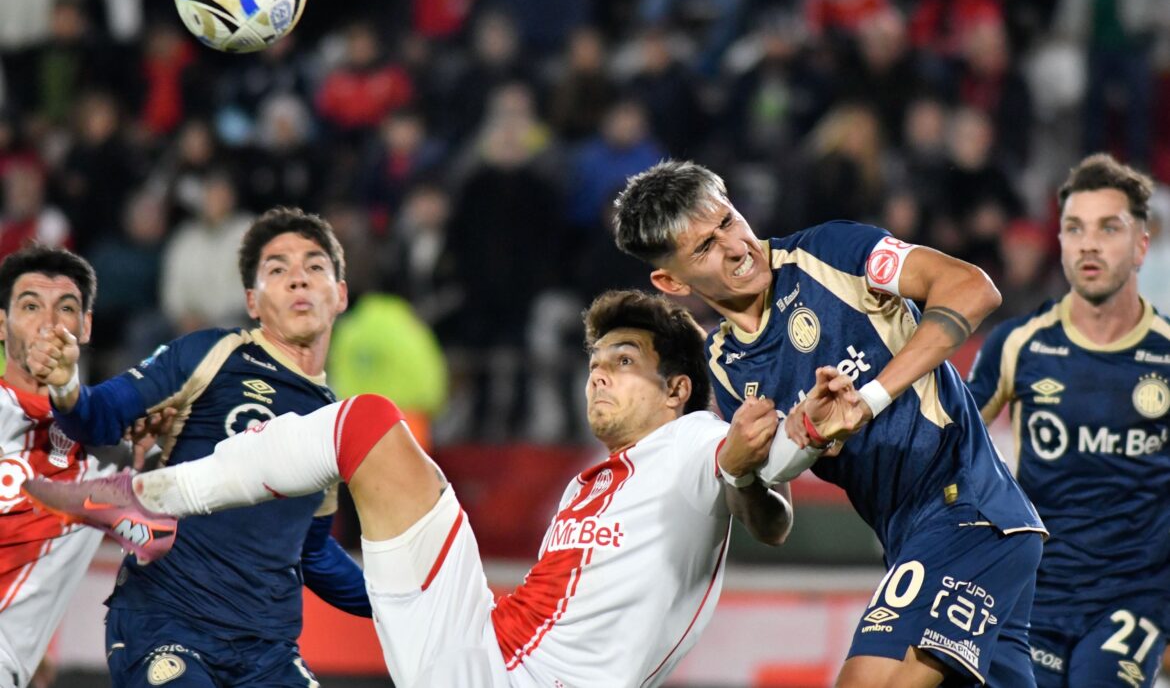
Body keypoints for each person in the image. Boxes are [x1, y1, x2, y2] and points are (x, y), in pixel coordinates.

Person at [25, 289, 858, 687]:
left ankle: (154, 496)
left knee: (366, 424)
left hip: (511, 673)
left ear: (677, 391)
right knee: (359, 428)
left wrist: (793, 441)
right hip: (482, 648)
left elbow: (763, 498)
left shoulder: (695, 442)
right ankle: (150, 497)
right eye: (596, 361)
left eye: (625, 362)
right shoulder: (592, 483)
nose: (599, 376)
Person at [612, 160, 1047, 687]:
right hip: (913, 539)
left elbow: (973, 288)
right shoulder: (726, 368)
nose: (735, 246)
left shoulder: (831, 254)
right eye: (704, 247)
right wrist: (743, 472)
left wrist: (869, 399)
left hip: (969, 511)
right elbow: (774, 525)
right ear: (671, 280)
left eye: (727, 221)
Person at [25, 207, 370, 686]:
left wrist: (406, 600)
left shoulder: (332, 421)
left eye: (314, 266)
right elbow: (100, 416)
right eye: (277, 270)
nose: (298, 279)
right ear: (252, 300)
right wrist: (66, 385)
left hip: (267, 652)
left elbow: (311, 553)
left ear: (341, 295)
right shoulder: (211, 354)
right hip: (166, 624)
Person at [967, 154, 1170, 687]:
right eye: (1075, 228)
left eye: (1109, 228)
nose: (1089, 244)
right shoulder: (1017, 345)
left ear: (1142, 246)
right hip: (1036, 594)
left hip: (1134, 599)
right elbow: (946, 441)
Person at [0, 244, 127, 688]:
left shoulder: (110, 449)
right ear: (1, 324)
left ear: (85, 326)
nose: (49, 324)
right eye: (30, 306)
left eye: (66, 308)